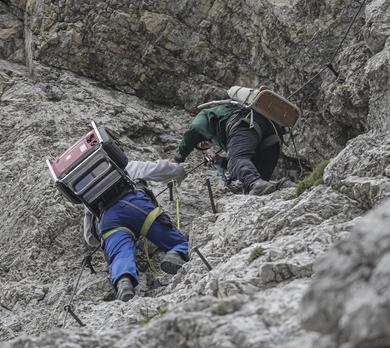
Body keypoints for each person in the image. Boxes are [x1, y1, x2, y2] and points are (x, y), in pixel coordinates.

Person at [83, 159, 189, 301]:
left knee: (120, 255)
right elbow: (161, 170)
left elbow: (90, 237)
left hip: (108, 220)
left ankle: (124, 282)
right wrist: (179, 171)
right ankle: (175, 254)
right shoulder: (123, 165)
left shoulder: (87, 189)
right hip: (136, 205)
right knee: (176, 241)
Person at [173, 104, 285, 195]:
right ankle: (282, 186)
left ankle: (258, 183)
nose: (203, 143)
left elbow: (192, 131)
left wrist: (177, 159)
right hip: (272, 133)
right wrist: (223, 162)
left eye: (200, 141)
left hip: (246, 123)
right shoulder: (227, 139)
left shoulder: (204, 117)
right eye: (202, 146)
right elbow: (243, 165)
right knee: (257, 186)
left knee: (239, 163)